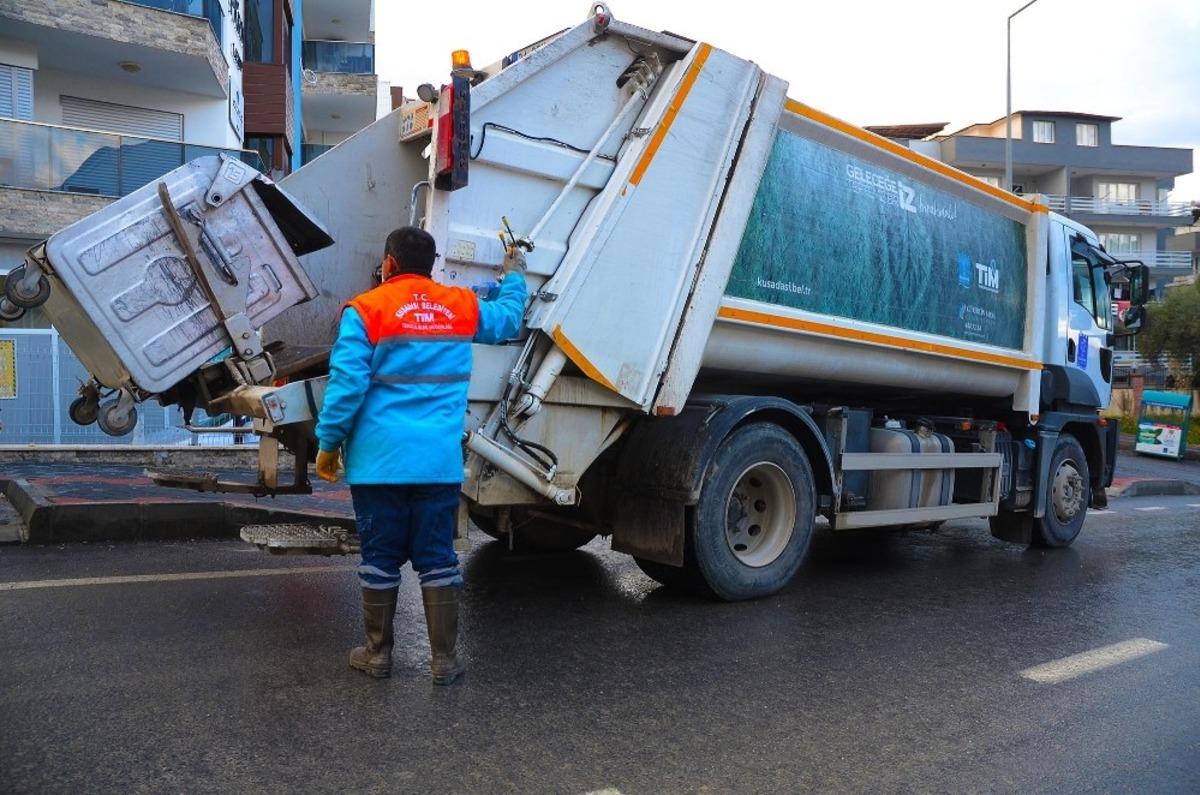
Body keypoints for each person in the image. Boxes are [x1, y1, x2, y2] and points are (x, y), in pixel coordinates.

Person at [314, 226, 527, 683]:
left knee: (380, 558)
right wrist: (514, 275)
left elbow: (347, 386)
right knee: (437, 558)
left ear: (388, 263)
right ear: (430, 265)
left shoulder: (366, 310)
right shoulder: (459, 306)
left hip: (378, 465)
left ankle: (378, 654)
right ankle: (444, 661)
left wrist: (328, 444)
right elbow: (509, 321)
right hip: (437, 464)